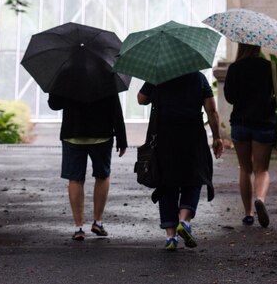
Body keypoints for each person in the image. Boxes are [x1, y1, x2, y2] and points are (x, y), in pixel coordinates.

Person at [137, 72, 224, 251]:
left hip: (164, 136)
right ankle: (184, 220)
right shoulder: (198, 78)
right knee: (195, 177)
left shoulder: (157, 76)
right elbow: (211, 109)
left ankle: (171, 238)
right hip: (192, 136)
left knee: (166, 183)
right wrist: (217, 137)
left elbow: (141, 99)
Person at [48, 93, 127, 241]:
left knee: (75, 179)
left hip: (73, 133)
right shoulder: (105, 72)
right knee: (102, 176)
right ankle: (97, 222)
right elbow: (115, 107)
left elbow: (54, 104)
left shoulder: (66, 74)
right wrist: (122, 138)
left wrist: (57, 87)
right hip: (101, 133)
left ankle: (79, 228)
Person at [224, 43, 277, 228]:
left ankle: (248, 214)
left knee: (245, 169)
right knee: (262, 170)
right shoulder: (271, 67)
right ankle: (260, 199)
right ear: (259, 45)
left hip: (241, 124)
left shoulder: (235, 68)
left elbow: (229, 97)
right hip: (264, 123)